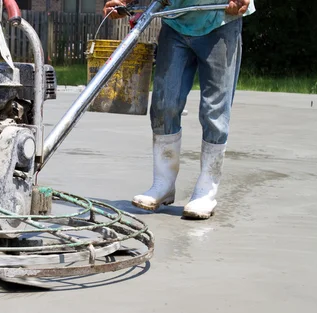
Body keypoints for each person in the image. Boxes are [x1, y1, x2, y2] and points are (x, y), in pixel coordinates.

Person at [103, 0, 255, 219]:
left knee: (214, 110)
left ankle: (206, 190)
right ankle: (163, 184)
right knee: (165, 103)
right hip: (176, 20)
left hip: (219, 18)